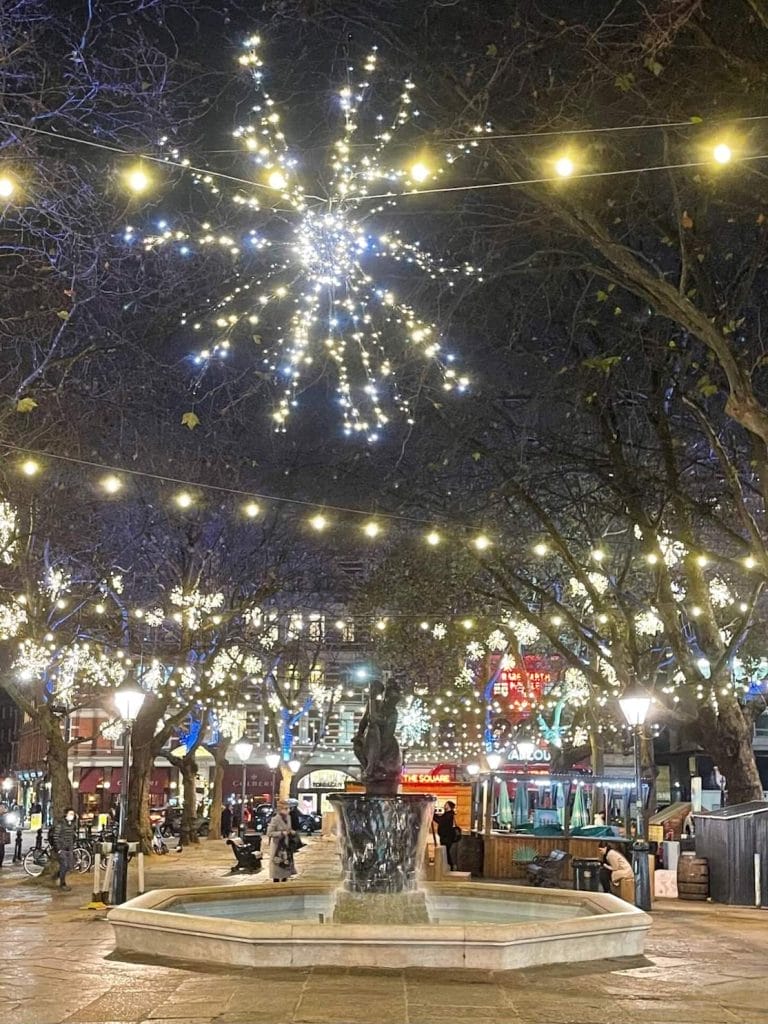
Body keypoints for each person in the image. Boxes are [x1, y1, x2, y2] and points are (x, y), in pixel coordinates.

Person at [266, 799, 297, 882]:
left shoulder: (288, 817)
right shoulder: (275, 819)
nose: (288, 810)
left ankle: (284, 880)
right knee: (277, 866)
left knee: (286, 865)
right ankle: (276, 882)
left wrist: (291, 832)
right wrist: (281, 833)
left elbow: (288, 828)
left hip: (286, 845)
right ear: (280, 809)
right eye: (286, 808)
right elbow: (269, 833)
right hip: (277, 846)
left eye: (288, 808)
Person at [51, 807, 78, 892]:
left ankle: (57, 875)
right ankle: (62, 884)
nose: (72, 816)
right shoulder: (60, 824)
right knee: (64, 865)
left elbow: (72, 836)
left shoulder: (72, 824)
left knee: (69, 866)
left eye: (73, 814)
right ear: (66, 815)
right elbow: (56, 836)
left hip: (69, 848)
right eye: (70, 814)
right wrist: (58, 849)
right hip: (62, 848)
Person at [434, 800, 460, 871]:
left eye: (446, 804)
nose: (444, 805)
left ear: (449, 806)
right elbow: (440, 820)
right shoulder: (448, 814)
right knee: (446, 851)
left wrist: (433, 815)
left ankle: (451, 866)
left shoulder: (449, 815)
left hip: (447, 837)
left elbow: (440, 821)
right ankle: (450, 865)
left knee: (446, 851)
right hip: (445, 836)